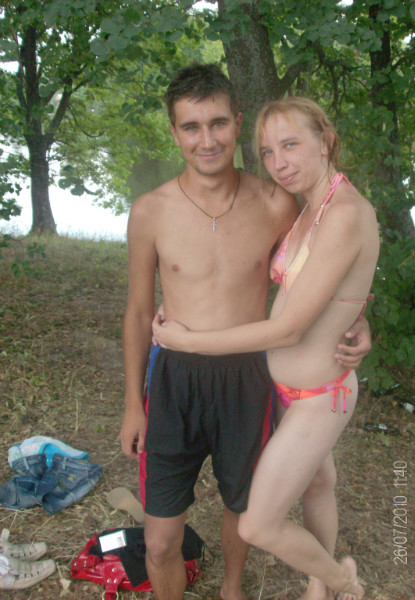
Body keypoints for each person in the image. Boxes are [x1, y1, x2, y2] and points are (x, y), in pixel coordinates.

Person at [120, 64, 372, 600]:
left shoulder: (278, 202)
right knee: (160, 541)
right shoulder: (150, 212)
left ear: (237, 123)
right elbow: (139, 313)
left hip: (248, 378)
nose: (207, 140)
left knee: (243, 507)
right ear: (174, 132)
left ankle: (232, 589)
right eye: (191, 127)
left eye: (218, 123)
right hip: (174, 380)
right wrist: (132, 405)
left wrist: (356, 318)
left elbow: (325, 268)